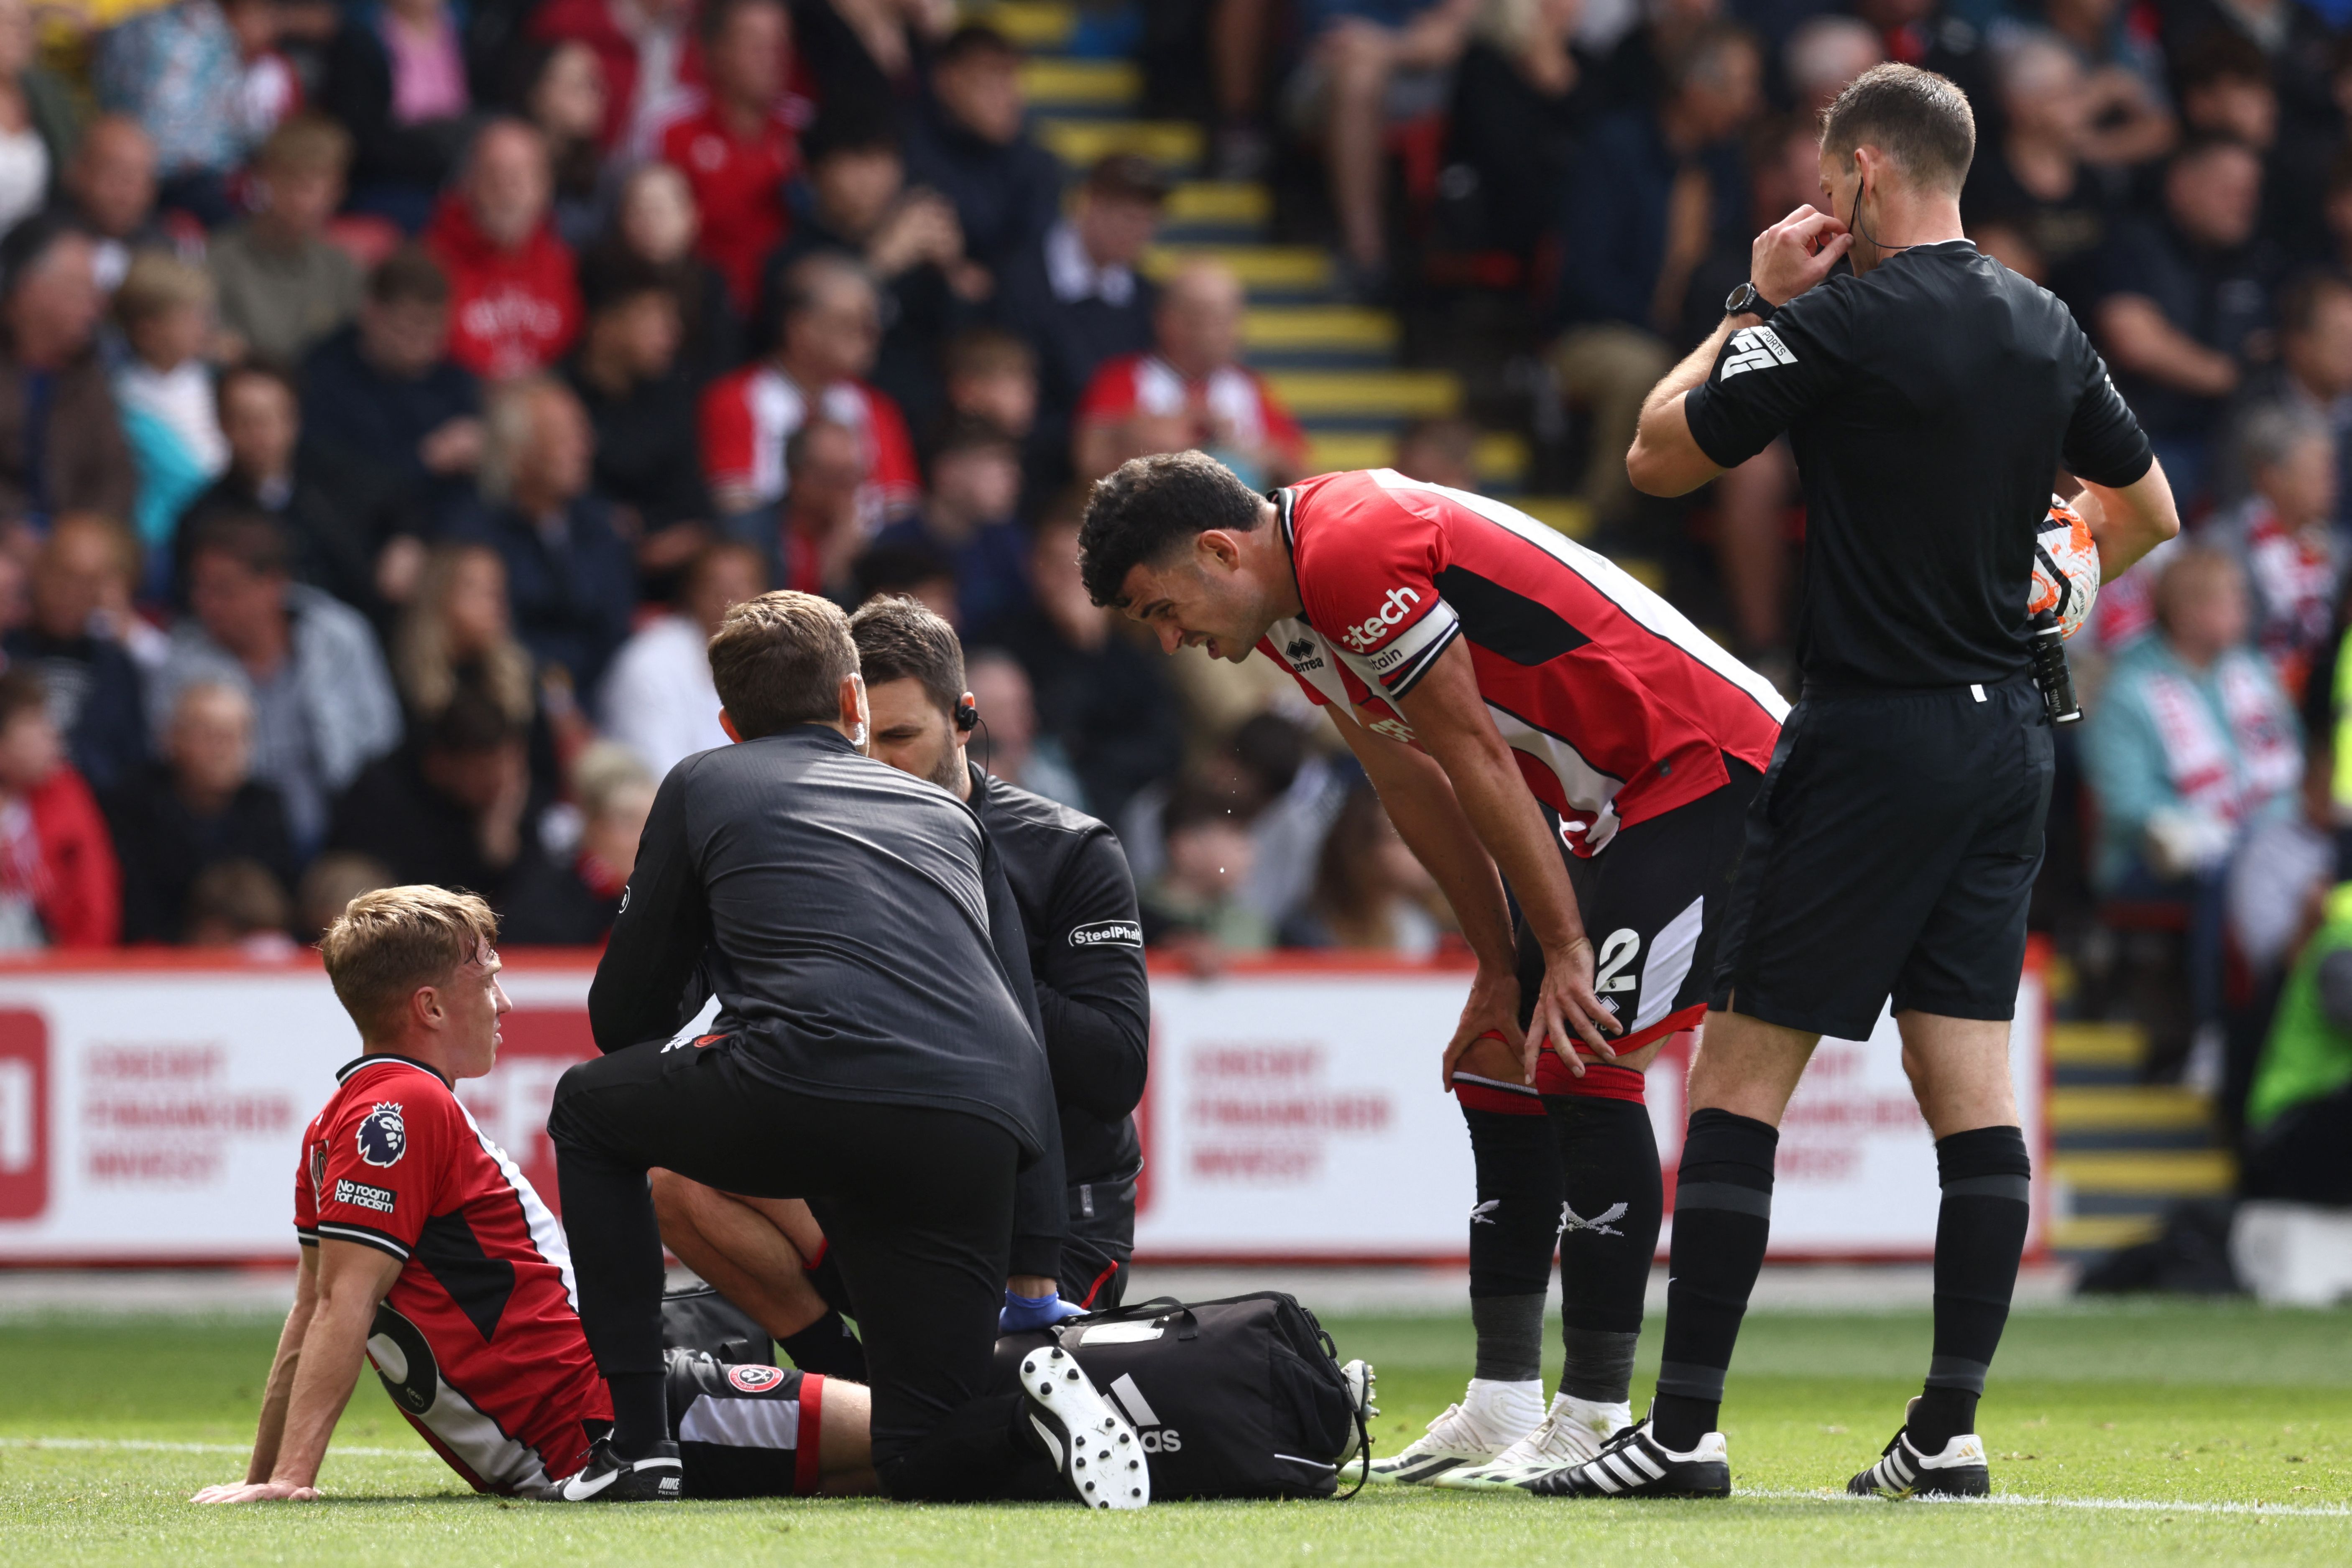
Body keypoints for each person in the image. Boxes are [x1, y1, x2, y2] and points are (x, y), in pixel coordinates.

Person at [1603, 62, 2176, 1498]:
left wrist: (1750, 303)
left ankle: (1677, 1434)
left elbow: (1656, 454)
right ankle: (1947, 1431)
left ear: (1859, 174)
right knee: (1966, 1086)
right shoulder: (2045, 325)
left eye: (1823, 170)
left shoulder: (1839, 321)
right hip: (2007, 747)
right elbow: (2151, 511)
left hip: (1874, 734)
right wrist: (2061, 571)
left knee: (1737, 1079)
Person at [1081, 446, 1785, 1485]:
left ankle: (1594, 1410)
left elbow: (1472, 754)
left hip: (1700, 764)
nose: (1174, 637)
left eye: (1159, 608)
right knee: (1501, 1055)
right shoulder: (1289, 602)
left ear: (1220, 549)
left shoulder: (1351, 551)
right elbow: (1406, 780)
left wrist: (1556, 948)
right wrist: (1502, 965)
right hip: (1605, 799)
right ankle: (1505, 1399)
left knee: (1584, 1059)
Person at [544, 590, 1144, 1507]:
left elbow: (622, 1016)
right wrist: (1031, 1263)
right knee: (919, 1451)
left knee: (590, 1110)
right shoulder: (950, 821)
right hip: (977, 1133)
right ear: (852, 704)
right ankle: (1072, 1413)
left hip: (817, 1092)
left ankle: (637, 1447)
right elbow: (1017, 1035)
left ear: (728, 722)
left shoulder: (706, 781)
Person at [189, 885, 880, 1504]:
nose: (505, 1002)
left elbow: (312, 1309)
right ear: (428, 1006)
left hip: (585, 1436)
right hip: (626, 1421)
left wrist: (266, 1477)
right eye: (487, 980)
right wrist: (289, 1479)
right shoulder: (405, 1106)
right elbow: (340, 1305)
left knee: (898, 1467)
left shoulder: (335, 1121)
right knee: (921, 1436)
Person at [656, 595, 1150, 1354]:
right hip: (886, 1194)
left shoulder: (1069, 851)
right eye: (861, 743)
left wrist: (957, 955)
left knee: (1004, 1419)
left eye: (902, 737)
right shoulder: (807, 846)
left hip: (1052, 1222)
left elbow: (1114, 1071)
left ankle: (911, 1390)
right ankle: (855, 1385)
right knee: (676, 1165)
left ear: (965, 719)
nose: (880, 764)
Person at [2081, 548, 2299, 1068]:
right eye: (2230, 601)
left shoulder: (2255, 674)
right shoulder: (2129, 690)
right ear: (2186, 614)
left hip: (2257, 844)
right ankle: (2216, 1033)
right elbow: (2128, 803)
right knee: (2230, 873)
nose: (2245, 611)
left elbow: (2291, 770)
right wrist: (2220, 831)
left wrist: (2263, 833)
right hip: (2151, 859)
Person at [1552, 23, 1760, 533]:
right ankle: (1601, 529)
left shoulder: (1728, 164)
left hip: (1696, 332)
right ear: (1695, 91)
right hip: (1599, 331)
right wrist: (1662, 329)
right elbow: (1585, 273)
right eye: (1739, 87)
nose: (1751, 103)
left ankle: (1683, 538)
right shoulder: (1615, 149)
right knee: (1643, 368)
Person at [153, 510, 403, 856]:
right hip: (237, 845)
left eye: (224, 589)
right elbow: (169, 760)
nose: (206, 604)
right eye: (200, 588)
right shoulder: (181, 661)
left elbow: (383, 737)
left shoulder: (340, 636)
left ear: (273, 585)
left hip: (345, 828)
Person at [757, 105, 982, 433]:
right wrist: (881, 261)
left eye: (884, 160)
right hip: (826, 426)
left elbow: (959, 342)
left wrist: (954, 273)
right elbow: (789, 348)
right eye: (856, 160)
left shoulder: (917, 246)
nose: (872, 177)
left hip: (924, 421)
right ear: (816, 171)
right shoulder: (792, 256)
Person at [2094, 136, 2273, 507]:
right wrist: (2232, 376)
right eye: (2227, 189)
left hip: (2236, 437)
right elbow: (2136, 344)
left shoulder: (2258, 260)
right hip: (2149, 435)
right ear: (2182, 184)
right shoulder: (2133, 244)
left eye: (2250, 191)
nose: (2244, 203)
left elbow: (2276, 347)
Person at [989, 501, 1181, 822]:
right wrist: (1080, 648)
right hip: (1041, 795)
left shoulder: (1130, 645)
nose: (1070, 580)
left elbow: (1165, 743)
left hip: (1122, 797)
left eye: (1081, 568)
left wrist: (1091, 646)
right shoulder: (1007, 642)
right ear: (1033, 566)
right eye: (1058, 566)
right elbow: (1053, 731)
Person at [700, 252, 918, 533]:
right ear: (799, 328)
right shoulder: (734, 399)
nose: (869, 336)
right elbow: (735, 508)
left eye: (872, 324)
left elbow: (900, 509)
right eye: (849, 323)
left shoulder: (877, 408)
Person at [186, 362, 412, 630]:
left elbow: (403, 501)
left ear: (293, 420)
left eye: (270, 418)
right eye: (246, 420)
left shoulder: (338, 479)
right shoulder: (205, 519)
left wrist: (407, 539)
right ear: (223, 425)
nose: (259, 434)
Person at [449, 376, 635, 698]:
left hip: (602, 700)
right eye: (566, 438)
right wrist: (557, 702)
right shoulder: (474, 535)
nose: (585, 448)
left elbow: (615, 629)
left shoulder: (600, 525)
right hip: (515, 703)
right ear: (518, 452)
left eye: (583, 433)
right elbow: (502, 641)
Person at [1286, 0, 1480, 296]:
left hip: (1423, 70)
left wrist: (1392, 47)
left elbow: (1454, 32)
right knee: (1357, 80)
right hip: (1330, 67)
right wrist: (1415, 42)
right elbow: (1338, 38)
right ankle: (1366, 258)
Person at [995, 153, 1166, 482]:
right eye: (1128, 218)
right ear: (1089, 204)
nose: (1139, 233)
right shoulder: (1021, 280)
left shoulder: (1146, 297)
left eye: (1148, 221)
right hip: (1035, 468)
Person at [1074, 258, 1308, 490]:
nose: (1229, 331)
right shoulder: (1122, 378)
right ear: (1169, 320)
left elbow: (1300, 471)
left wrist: (1252, 453)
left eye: (1232, 316)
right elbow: (1090, 461)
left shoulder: (1249, 386)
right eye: (1211, 316)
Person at [299, 247, 483, 527]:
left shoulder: (452, 380)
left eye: (433, 333)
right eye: (407, 330)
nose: (421, 347)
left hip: (445, 532)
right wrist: (426, 460)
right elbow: (337, 481)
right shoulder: (323, 378)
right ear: (371, 312)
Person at [105, 680, 297, 945]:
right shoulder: (135, 806)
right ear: (172, 739)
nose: (223, 751)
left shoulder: (265, 807)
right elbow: (133, 905)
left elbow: (279, 902)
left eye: (235, 737)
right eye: (209, 736)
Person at [650, 0, 803, 315]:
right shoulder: (671, 127)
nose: (771, 57)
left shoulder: (805, 129)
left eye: (780, 44)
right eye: (754, 43)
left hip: (786, 312)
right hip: (695, 309)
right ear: (715, 51)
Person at [325, 688, 543, 906]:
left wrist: (500, 849)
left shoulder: (511, 799)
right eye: (483, 770)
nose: (501, 781)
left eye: (509, 763)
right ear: (440, 764)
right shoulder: (380, 795)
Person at [564, 258, 711, 579]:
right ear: (605, 325)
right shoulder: (559, 397)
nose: (673, 332)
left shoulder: (673, 396)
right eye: (653, 316)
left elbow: (694, 508)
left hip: (669, 572)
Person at [424, 119, 582, 380]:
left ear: (545, 187)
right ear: (468, 184)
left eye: (520, 177)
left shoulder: (563, 261)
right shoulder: (432, 261)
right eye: (493, 176)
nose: (507, 191)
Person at [901, 24, 1060, 284]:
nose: (1009, 96)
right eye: (991, 80)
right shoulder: (907, 149)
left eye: (1012, 78)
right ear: (947, 80)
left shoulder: (1038, 164)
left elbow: (1034, 258)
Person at [0, 217, 133, 528]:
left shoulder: (90, 374)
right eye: (82, 290)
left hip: (72, 548)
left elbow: (115, 476)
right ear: (31, 288)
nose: (97, 306)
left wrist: (75, 539)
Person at [4, 514, 148, 795]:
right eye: (63, 574)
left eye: (88, 582)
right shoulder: (7, 651)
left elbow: (131, 765)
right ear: (39, 569)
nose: (71, 592)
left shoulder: (117, 668)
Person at [207, 116, 364, 368]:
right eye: (291, 180)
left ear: (338, 191)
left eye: (316, 184)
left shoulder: (343, 270)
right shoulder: (220, 259)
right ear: (264, 179)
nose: (302, 199)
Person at [600, 540, 766, 776]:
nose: (733, 601)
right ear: (692, 593)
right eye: (719, 588)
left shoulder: (777, 663)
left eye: (743, 587)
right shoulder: (650, 662)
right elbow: (663, 777)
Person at [2211, 404, 2342, 698]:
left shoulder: (2338, 548)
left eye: (2330, 471)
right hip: (2244, 697)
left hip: (2322, 700)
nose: (2330, 485)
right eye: (2315, 473)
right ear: (2271, 477)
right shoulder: (2222, 545)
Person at [111, 251, 226, 562]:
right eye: (191, 317)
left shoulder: (216, 381)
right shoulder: (125, 402)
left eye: (206, 315)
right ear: (148, 332)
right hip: (169, 543)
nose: (204, 327)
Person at [92, 0, 252, 224]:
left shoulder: (220, 30)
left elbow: (230, 108)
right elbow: (112, 100)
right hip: (142, 174)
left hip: (204, 176)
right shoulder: (131, 24)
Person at [317, 0, 472, 228]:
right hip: (390, 178)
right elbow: (360, 135)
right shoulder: (360, 38)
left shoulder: (465, 28)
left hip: (458, 167)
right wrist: (435, 158)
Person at [872, 418, 1030, 633]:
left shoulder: (1010, 543)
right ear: (947, 473)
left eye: (1011, 465)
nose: (1012, 478)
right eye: (992, 463)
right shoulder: (895, 546)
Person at [500, 742, 653, 943]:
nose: (644, 838)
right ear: (594, 827)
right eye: (629, 822)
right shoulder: (547, 904)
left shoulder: (672, 900)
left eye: (653, 822)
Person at [1281, 782, 1448, 956]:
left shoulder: (1419, 927)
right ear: (1359, 847)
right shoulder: (1308, 932)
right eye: (1400, 839)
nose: (1423, 852)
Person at [53, 115, 165, 296]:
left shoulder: (162, 252)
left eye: (138, 180)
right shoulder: (40, 246)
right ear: (76, 171)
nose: (126, 194)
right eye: (115, 174)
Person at [0, 0, 81, 238]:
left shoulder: (47, 95)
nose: (22, 30)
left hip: (27, 251)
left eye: (29, 20)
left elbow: (71, 175)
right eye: (7, 19)